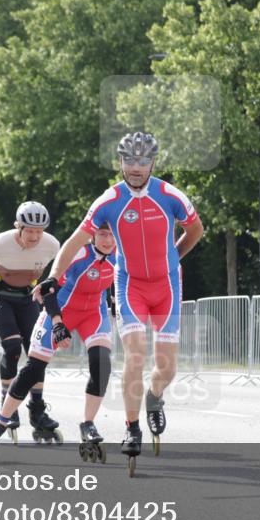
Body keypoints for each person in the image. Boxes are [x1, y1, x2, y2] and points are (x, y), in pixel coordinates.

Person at [34, 132, 203, 475]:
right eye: (129, 161)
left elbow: (196, 230)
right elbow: (74, 240)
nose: (136, 168)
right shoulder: (108, 201)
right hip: (131, 286)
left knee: (167, 367)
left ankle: (154, 396)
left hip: (168, 285)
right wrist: (53, 275)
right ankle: (131, 427)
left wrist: (174, 258)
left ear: (153, 162)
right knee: (135, 354)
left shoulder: (170, 195)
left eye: (143, 161)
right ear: (120, 161)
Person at [0, 224, 117, 464]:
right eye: (102, 234)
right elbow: (49, 287)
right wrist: (58, 324)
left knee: (102, 363)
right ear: (93, 235)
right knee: (34, 369)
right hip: (60, 309)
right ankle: (1, 422)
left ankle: (88, 424)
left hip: (94, 314)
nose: (108, 240)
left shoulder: (121, 258)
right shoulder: (78, 252)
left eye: (112, 235)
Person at [0, 202, 61, 439]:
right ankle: (7, 402)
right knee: (13, 346)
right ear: (19, 227)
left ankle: (37, 409)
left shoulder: (52, 245)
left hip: (26, 296)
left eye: (39, 231)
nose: (35, 236)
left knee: (37, 353)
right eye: (30, 230)